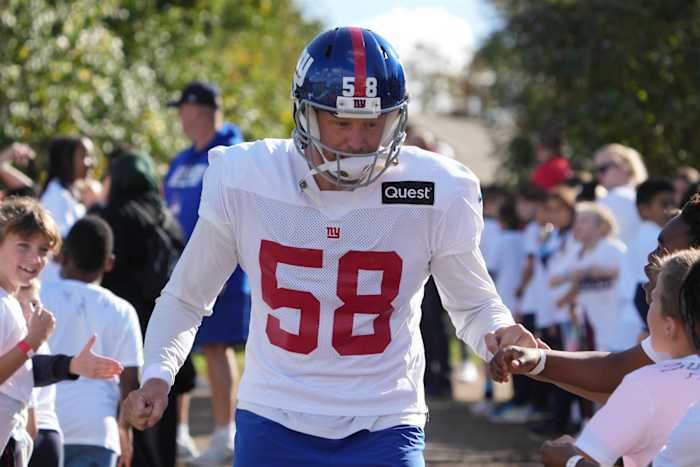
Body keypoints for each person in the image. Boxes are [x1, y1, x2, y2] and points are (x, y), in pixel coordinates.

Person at [122, 27, 535, 466]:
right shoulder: (248, 177)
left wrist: (499, 335)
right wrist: (157, 375)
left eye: (373, 124)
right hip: (273, 415)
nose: (358, 142)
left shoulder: (433, 189)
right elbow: (187, 296)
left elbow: (472, 305)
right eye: (342, 123)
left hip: (385, 419)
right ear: (306, 114)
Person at [489, 194, 700, 466]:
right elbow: (616, 373)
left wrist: (569, 462)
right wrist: (538, 361)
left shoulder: (646, 382)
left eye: (663, 248)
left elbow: (620, 378)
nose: (652, 256)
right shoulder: (660, 368)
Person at [536, 249, 700, 467]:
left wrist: (569, 461)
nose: (646, 291)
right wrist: (542, 365)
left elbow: (591, 454)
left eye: (655, 299)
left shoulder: (645, 383)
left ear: (669, 326)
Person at [163, 81, 250, 464]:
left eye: (181, 108)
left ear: (198, 110)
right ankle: (178, 433)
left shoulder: (231, 150)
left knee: (217, 348)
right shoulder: (182, 159)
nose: (179, 116)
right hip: (183, 265)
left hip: (225, 268)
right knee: (179, 345)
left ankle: (223, 434)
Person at [0, 198, 122, 466]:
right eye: (23, 246)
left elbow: (23, 371)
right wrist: (32, 341)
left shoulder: (10, 301)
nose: (35, 259)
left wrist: (72, 365)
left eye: (44, 249)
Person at [95, 149, 193, 467]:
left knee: (130, 420)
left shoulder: (113, 217)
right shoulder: (167, 217)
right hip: (168, 332)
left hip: (128, 334)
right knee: (163, 419)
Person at [42, 217, 143, 467]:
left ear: (63, 256)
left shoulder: (39, 298)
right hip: (98, 430)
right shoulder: (123, 311)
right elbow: (131, 382)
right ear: (109, 263)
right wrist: (124, 430)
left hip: (45, 425)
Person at [39, 136, 100, 284]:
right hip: (55, 287)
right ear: (66, 159)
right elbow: (56, 249)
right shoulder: (56, 196)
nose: (92, 163)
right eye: (84, 156)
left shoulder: (69, 194)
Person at [593, 143, 648, 247]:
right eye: (597, 170)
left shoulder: (615, 198)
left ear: (625, 167)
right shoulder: (642, 197)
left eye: (603, 169)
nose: (599, 175)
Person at [530, 125, 571, 191]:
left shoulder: (547, 168)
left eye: (540, 148)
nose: (536, 152)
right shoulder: (563, 162)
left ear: (551, 150)